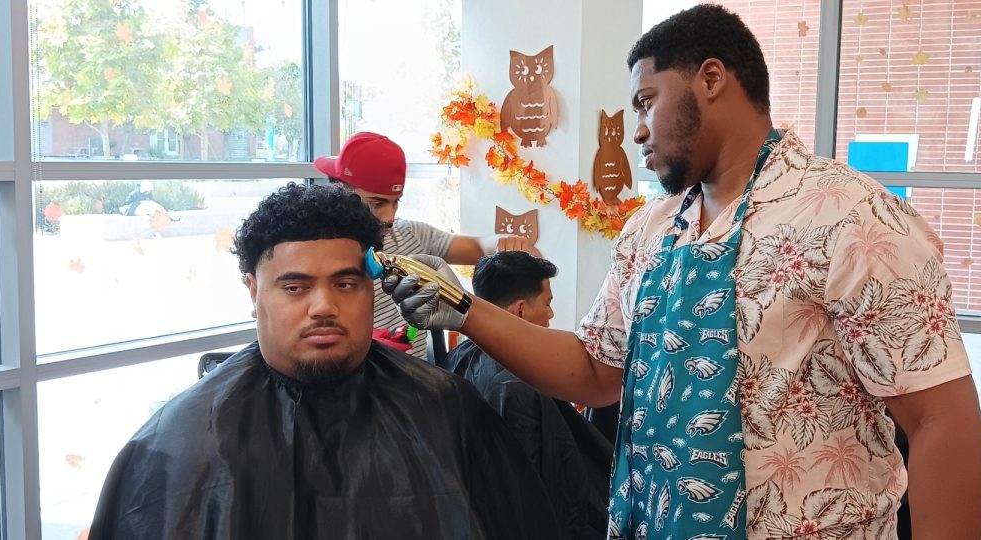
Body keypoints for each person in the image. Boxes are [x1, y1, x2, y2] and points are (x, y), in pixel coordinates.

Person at [384, 5, 981, 539]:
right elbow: (595, 372)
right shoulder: (651, 230)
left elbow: (942, 421)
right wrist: (467, 310)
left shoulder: (850, 218)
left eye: (647, 101)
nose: (638, 129)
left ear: (711, 78)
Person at [89, 183, 561, 540]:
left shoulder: (447, 408)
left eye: (346, 283)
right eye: (294, 287)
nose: (323, 306)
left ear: (372, 286)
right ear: (254, 292)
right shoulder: (179, 439)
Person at [315, 132, 538, 360]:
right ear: (340, 192)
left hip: (411, 386)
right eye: (376, 203)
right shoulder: (315, 255)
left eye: (396, 202)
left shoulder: (410, 235)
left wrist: (501, 242)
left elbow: (479, 248)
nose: (389, 217)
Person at [440, 251, 613, 539]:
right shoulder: (519, 389)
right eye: (548, 304)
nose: (551, 314)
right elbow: (558, 490)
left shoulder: (459, 356)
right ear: (520, 310)